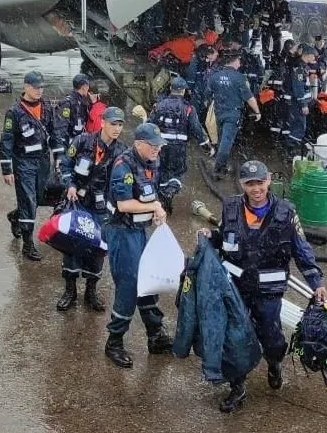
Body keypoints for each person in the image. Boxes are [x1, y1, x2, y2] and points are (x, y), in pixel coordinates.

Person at [200, 160, 327, 412]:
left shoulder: (286, 213)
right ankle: (237, 386)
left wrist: (317, 282)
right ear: (242, 184)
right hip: (236, 288)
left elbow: (301, 250)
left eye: (260, 182)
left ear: (268, 180)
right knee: (234, 337)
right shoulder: (231, 207)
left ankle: (274, 362)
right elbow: (224, 237)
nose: (256, 188)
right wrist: (210, 237)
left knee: (272, 338)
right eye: (250, 184)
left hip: (269, 291)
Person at [104, 123, 173, 369]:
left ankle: (155, 334)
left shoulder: (151, 162)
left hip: (140, 231)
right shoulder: (123, 165)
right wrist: (154, 207)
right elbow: (124, 205)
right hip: (122, 232)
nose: (157, 150)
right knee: (129, 285)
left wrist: (157, 210)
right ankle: (114, 341)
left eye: (159, 146)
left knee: (149, 280)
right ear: (138, 144)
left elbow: (150, 193)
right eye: (152, 146)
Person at [56, 106, 128, 312]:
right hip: (77, 202)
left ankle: (91, 291)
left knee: (97, 248)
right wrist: (70, 184)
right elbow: (64, 164)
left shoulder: (122, 152)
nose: (117, 129)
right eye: (113, 124)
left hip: (101, 208)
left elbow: (123, 181)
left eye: (120, 125)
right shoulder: (82, 141)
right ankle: (70, 290)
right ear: (102, 122)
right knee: (72, 245)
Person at [0, 71, 63, 261]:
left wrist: (58, 156)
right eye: (36, 87)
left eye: (41, 87)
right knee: (28, 200)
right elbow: (7, 141)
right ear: (26, 87)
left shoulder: (47, 108)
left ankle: (16, 216)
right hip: (23, 162)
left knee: (39, 197)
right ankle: (28, 244)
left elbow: (55, 132)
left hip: (42, 161)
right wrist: (7, 169)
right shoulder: (14, 112)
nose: (39, 91)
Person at [147, 77, 213, 213]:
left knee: (161, 170)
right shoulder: (188, 108)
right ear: (183, 91)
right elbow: (196, 129)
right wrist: (206, 147)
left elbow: (149, 125)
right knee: (177, 172)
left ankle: (161, 196)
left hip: (160, 147)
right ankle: (170, 192)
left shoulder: (159, 105)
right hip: (178, 148)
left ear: (170, 88)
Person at [207, 52, 262, 179]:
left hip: (219, 112)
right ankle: (218, 169)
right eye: (238, 61)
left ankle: (221, 163)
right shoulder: (239, 78)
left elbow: (207, 94)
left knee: (222, 138)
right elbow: (249, 98)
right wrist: (257, 112)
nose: (240, 64)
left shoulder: (214, 76)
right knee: (226, 141)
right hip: (233, 114)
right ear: (233, 61)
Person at [285, 45, 317, 159]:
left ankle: (292, 148)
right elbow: (298, 88)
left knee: (298, 126)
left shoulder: (304, 67)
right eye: (313, 55)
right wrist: (303, 105)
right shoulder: (299, 68)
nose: (314, 58)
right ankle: (290, 150)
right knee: (299, 127)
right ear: (307, 55)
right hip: (298, 104)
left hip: (301, 102)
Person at [56, 74, 93, 144]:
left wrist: (92, 103)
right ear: (84, 87)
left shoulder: (82, 101)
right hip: (70, 142)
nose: (88, 88)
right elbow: (61, 127)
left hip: (78, 140)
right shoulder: (67, 103)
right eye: (88, 86)